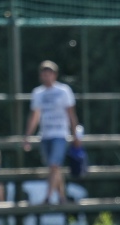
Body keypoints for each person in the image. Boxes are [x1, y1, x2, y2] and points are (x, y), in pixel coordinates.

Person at [23, 60, 80, 205]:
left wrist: (75, 135)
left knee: (54, 165)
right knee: (55, 168)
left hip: (60, 134)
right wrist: (28, 135)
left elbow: (71, 114)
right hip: (45, 134)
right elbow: (35, 116)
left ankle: (48, 197)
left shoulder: (64, 91)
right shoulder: (38, 93)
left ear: (55, 75)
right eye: (44, 74)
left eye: (49, 74)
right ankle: (62, 197)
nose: (46, 77)